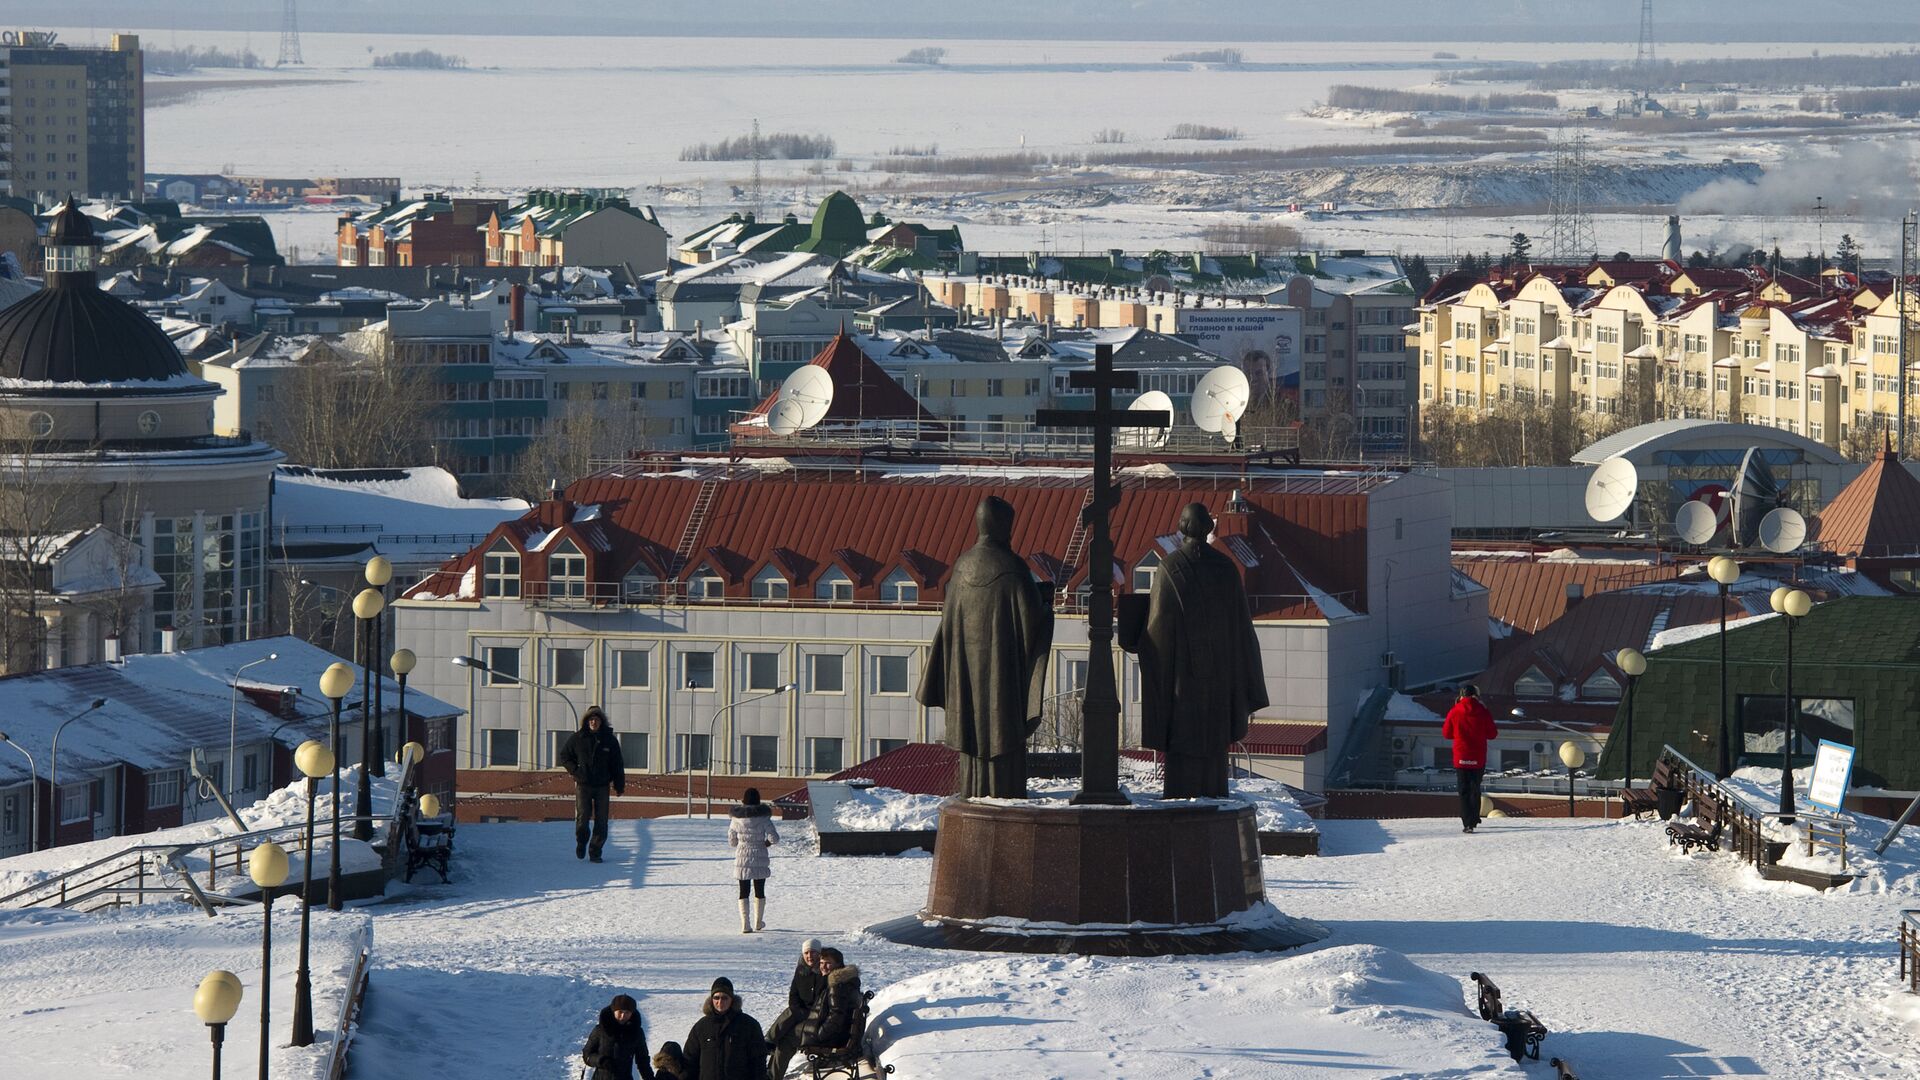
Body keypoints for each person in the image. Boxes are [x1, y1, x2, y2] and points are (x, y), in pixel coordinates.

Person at [1122, 502, 1269, 798]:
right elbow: (1242, 629)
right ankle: (1214, 795)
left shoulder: (1170, 568)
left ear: (1181, 528)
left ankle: (1180, 799)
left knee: (1183, 746)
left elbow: (1158, 629)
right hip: (1220, 679)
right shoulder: (1227, 569)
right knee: (1214, 750)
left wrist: (1140, 644)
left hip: (1182, 679)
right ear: (1207, 530)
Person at [559, 706, 626, 862]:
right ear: (587, 721)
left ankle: (595, 851)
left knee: (601, 821)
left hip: (602, 785)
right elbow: (565, 756)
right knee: (583, 818)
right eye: (591, 719)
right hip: (583, 784)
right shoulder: (578, 738)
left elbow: (617, 764)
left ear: (601, 721)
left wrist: (619, 785)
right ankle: (581, 842)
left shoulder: (610, 740)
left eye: (596, 719)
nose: (594, 722)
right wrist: (576, 771)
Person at [684, 977, 767, 1080]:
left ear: (732, 999)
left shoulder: (748, 1025)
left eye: (724, 998)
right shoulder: (701, 1027)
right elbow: (689, 1061)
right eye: (716, 997)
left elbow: (758, 1062)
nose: (720, 1002)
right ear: (711, 999)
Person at [767, 939, 827, 1079]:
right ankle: (770, 1071)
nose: (809, 956)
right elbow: (793, 995)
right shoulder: (801, 970)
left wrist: (802, 1012)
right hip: (801, 1015)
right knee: (789, 1017)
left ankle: (768, 1043)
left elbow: (822, 1004)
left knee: (785, 1038)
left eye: (813, 952)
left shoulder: (824, 973)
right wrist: (799, 1011)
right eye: (806, 953)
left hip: (816, 1019)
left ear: (820, 954)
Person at [1444, 684, 1499, 833]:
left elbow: (1446, 733)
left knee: (1463, 790)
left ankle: (1467, 822)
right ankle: (1474, 820)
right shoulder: (1483, 711)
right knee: (1475, 789)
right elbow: (1492, 734)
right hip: (1478, 757)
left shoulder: (1455, 711)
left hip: (1461, 757)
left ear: (1461, 696)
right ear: (1476, 695)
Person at [728, 788, 779, 932]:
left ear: (743, 800)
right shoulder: (764, 818)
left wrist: (742, 843)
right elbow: (774, 838)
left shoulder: (735, 819)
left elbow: (732, 842)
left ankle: (745, 924)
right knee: (759, 890)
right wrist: (765, 844)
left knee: (743, 891)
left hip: (742, 856)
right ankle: (758, 922)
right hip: (759, 854)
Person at [795, 948, 862, 1056]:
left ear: (838, 964)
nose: (823, 967)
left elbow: (836, 1015)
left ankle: (771, 1072)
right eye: (821, 963)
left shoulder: (837, 986)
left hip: (834, 1040)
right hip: (841, 1035)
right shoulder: (844, 981)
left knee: (787, 1037)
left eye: (828, 963)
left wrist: (819, 1035)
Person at [583, 993, 655, 1080]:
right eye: (620, 1012)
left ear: (632, 1013)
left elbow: (643, 1060)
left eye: (627, 1012)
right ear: (613, 1011)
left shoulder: (637, 1032)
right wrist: (601, 1060)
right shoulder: (600, 1030)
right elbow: (587, 1054)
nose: (623, 1016)